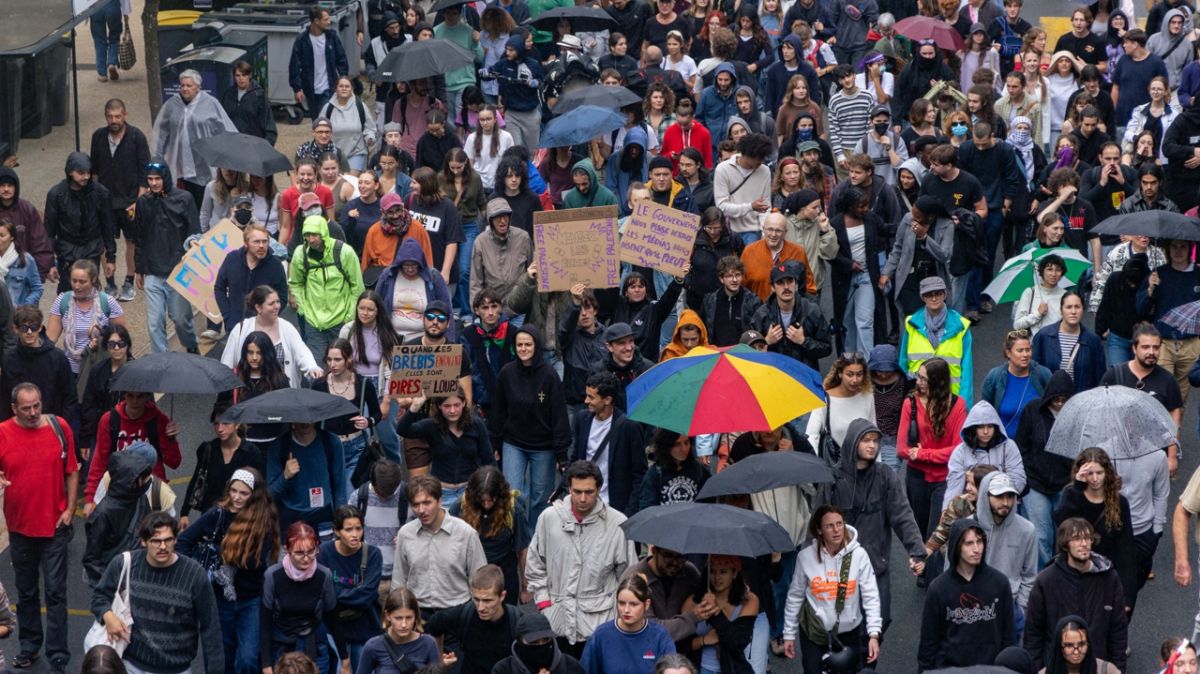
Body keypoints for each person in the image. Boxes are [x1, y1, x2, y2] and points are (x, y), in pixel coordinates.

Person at [815, 418, 925, 632]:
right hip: (839, 567)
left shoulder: (886, 476)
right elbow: (817, 523)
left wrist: (917, 551)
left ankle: (867, 663)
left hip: (876, 564)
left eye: (875, 441)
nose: (872, 445)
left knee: (880, 621)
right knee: (842, 626)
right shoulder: (833, 479)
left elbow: (902, 515)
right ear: (853, 442)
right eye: (866, 440)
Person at [0, 383, 77, 673]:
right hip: (20, 529)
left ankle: (57, 655)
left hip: (54, 527)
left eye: (37, 405)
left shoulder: (60, 428)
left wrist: (70, 510)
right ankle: (30, 647)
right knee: (27, 592)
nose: (33, 412)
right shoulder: (2, 433)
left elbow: (72, 470)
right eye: (26, 408)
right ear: (14, 409)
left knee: (56, 593)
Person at [527, 460, 637, 657]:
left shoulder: (618, 524)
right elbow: (535, 565)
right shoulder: (548, 518)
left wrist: (618, 617)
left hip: (600, 625)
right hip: (557, 621)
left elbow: (628, 578)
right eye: (577, 492)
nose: (583, 498)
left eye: (589, 492)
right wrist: (545, 606)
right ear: (568, 488)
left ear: (599, 489)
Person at [91, 512, 223, 674]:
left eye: (168, 540)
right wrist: (108, 616)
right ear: (143, 542)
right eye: (155, 541)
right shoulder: (124, 564)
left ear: (176, 539)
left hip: (176, 669)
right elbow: (99, 597)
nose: (162, 546)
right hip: (131, 666)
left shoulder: (194, 574)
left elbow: (211, 628)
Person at [177, 468, 278, 674]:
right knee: (221, 660)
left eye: (244, 493)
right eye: (233, 491)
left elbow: (253, 562)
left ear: (254, 495)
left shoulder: (262, 521)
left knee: (248, 659)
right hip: (219, 599)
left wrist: (221, 551)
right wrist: (195, 571)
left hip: (251, 600)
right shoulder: (217, 515)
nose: (237, 497)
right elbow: (183, 543)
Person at [782, 504, 882, 673]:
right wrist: (789, 634)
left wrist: (873, 634)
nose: (836, 530)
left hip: (848, 632)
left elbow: (870, 595)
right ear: (819, 530)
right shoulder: (805, 557)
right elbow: (795, 597)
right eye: (829, 526)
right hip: (814, 633)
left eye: (839, 524)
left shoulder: (859, 555)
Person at [1023, 519, 1129, 672]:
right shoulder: (1046, 581)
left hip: (1098, 667)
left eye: (1087, 538)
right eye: (1077, 539)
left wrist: (1118, 669)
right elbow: (1033, 633)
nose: (1084, 543)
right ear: (1065, 544)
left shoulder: (1109, 577)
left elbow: (1118, 629)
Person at [490, 327, 570, 526]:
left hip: (544, 446)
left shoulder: (550, 375)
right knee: (513, 495)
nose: (523, 349)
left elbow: (559, 415)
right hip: (513, 443)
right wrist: (496, 443)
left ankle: (536, 542)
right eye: (519, 345)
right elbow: (498, 411)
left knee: (540, 500)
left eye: (528, 344)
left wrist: (561, 454)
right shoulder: (506, 373)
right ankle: (517, 540)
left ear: (536, 346)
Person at [917, 518, 1016, 671]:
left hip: (991, 669)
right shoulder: (938, 588)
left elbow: (1009, 636)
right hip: (950, 669)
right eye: (969, 543)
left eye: (980, 542)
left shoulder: (999, 584)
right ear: (957, 546)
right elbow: (929, 642)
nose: (977, 549)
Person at [391, 474, 486, 618]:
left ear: (440, 501)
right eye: (416, 505)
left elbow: (479, 578)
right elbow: (399, 580)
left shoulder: (465, 533)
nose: (421, 510)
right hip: (419, 615)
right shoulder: (405, 534)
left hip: (457, 612)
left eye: (427, 502)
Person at [259, 521, 348, 673]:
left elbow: (333, 619)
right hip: (281, 647)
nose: (306, 559)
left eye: (311, 552)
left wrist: (345, 660)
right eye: (299, 553)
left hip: (314, 645)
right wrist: (266, 665)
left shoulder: (323, 575)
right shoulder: (272, 576)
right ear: (287, 550)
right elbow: (264, 623)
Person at [1055, 448, 1137, 612]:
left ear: (1107, 473)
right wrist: (1077, 488)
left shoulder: (1119, 502)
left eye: (1099, 473)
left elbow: (1126, 549)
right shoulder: (1072, 493)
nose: (1094, 479)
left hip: (1105, 574)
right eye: (1089, 473)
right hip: (1076, 572)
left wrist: (1127, 595)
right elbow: (1061, 523)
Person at [133, 159, 200, 354]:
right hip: (153, 272)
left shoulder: (184, 199)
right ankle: (161, 363)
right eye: (150, 179)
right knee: (154, 323)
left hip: (178, 270)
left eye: (157, 178)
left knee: (181, 319)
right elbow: (140, 236)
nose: (153, 183)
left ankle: (191, 345)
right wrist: (138, 268)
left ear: (166, 178)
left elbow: (194, 231)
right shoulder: (143, 202)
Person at [396, 385, 494, 508]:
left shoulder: (476, 425)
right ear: (439, 406)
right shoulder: (432, 425)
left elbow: (489, 460)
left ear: (464, 403)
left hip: (469, 491)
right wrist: (415, 406)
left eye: (456, 405)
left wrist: (490, 489)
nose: (452, 411)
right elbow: (402, 430)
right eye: (447, 406)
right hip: (442, 493)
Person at [1102, 323, 1182, 475]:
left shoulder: (1168, 381)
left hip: (1155, 454)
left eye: (1156, 347)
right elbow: (1101, 414)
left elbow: (1174, 420)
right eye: (1145, 347)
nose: (1151, 352)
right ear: (1134, 348)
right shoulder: (1115, 375)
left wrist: (1172, 456)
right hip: (1119, 454)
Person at [89, 98, 148, 300]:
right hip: (106, 201)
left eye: (118, 116)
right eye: (110, 116)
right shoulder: (98, 137)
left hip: (130, 200)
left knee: (131, 242)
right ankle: (110, 283)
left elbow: (144, 172)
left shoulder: (136, 137)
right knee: (106, 244)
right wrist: (95, 195)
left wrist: (138, 201)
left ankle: (129, 281)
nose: (114, 120)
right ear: (106, 116)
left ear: (125, 115)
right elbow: (94, 170)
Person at [151, 70, 238, 207]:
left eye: (189, 85)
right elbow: (161, 131)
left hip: (203, 166)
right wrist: (158, 156)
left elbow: (226, 129)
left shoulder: (211, 103)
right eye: (182, 85)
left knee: (203, 202)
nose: (185, 89)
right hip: (179, 167)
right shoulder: (172, 104)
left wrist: (229, 156)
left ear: (198, 87)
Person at [85, 389, 182, 511]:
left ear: (147, 396)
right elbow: (100, 461)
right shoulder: (109, 420)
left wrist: (171, 440)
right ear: (124, 395)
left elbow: (174, 462)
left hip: (151, 494)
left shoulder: (159, 420)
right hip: (120, 491)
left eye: (140, 396)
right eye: (130, 396)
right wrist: (90, 497)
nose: (135, 401)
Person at [289, 215, 366, 359]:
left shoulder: (344, 252)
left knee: (340, 363)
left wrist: (349, 317)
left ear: (323, 233)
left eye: (314, 235)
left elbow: (357, 286)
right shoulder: (301, 254)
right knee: (316, 368)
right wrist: (303, 309)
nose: (311, 240)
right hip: (313, 320)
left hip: (340, 319)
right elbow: (295, 283)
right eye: (307, 235)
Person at [317, 506, 382, 672]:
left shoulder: (373, 554)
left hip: (365, 628)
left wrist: (336, 594)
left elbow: (367, 595)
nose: (355, 534)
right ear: (337, 531)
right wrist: (348, 595)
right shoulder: (325, 552)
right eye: (348, 529)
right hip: (334, 627)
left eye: (358, 528)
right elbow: (323, 593)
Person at [571, 371, 647, 515]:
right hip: (584, 504)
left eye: (591, 397)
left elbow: (639, 474)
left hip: (615, 509)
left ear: (607, 400)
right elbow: (575, 459)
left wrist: (629, 512)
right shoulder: (582, 419)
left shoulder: (630, 427)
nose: (586, 401)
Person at [312, 340, 382, 494]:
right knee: (331, 493)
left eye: (338, 360)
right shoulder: (319, 385)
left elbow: (377, 414)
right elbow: (313, 419)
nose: (332, 364)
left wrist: (367, 421)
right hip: (329, 445)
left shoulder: (363, 383)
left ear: (349, 358)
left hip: (357, 446)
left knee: (350, 494)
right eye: (329, 360)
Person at [179, 405, 265, 528]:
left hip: (239, 517)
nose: (220, 429)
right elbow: (196, 480)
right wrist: (184, 513)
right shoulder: (208, 449)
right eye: (216, 424)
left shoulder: (251, 453)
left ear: (237, 424)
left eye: (226, 423)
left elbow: (259, 488)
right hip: (210, 514)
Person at [43, 152, 117, 294]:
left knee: (90, 293)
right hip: (67, 252)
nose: (86, 176)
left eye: (88, 172)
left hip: (92, 249)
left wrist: (111, 258)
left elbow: (108, 227)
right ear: (71, 172)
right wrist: (50, 263)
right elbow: (49, 231)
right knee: (66, 294)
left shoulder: (101, 193)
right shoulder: (56, 194)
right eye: (81, 173)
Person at [975, 472, 1038, 637]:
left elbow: (1030, 575)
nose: (1005, 502)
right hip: (972, 604)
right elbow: (951, 570)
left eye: (1010, 496)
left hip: (1010, 605)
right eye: (999, 496)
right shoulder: (967, 528)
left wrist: (1022, 610)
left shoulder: (1027, 530)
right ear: (985, 496)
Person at [221, 287, 321, 390]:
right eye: (271, 303)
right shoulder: (241, 329)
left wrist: (312, 368)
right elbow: (226, 364)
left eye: (278, 302)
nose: (276, 306)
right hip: (250, 392)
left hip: (282, 394)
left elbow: (301, 351)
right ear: (258, 308)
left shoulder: (287, 328)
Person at [899, 277, 975, 406]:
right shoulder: (911, 324)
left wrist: (964, 406)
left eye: (938, 294)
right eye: (929, 294)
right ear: (922, 297)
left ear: (945, 294)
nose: (934, 298)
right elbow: (903, 363)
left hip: (950, 398)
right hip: (919, 398)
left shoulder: (961, 326)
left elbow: (967, 370)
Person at [581, 573, 676, 673]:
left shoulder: (660, 636)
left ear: (646, 604)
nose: (626, 610)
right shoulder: (601, 635)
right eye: (621, 603)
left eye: (633, 604)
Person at [266, 420, 347, 537]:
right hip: (292, 523)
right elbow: (270, 496)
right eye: (299, 417)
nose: (305, 422)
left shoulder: (330, 441)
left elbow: (340, 489)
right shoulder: (278, 446)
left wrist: (341, 523)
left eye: (309, 418)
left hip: (324, 522)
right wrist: (285, 476)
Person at [1, 306, 76, 430]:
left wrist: (61, 426)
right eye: (24, 328)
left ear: (40, 327)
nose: (29, 332)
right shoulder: (9, 360)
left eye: (34, 327)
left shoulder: (57, 357)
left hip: (51, 427)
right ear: (16, 329)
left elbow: (69, 397)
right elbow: (4, 399)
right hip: (19, 428)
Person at [749, 259, 831, 371]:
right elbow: (748, 354)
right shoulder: (761, 315)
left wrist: (803, 341)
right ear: (772, 288)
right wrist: (766, 342)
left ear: (796, 285)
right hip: (773, 376)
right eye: (780, 283)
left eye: (790, 281)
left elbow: (827, 348)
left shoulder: (812, 311)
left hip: (804, 377)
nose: (786, 287)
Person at [942, 402, 1028, 507]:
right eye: (981, 427)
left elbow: (1018, 479)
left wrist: (993, 498)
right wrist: (947, 514)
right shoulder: (960, 452)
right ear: (972, 428)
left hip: (1003, 506)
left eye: (990, 426)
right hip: (972, 507)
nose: (986, 431)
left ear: (996, 427)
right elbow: (954, 489)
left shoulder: (1009, 447)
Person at [215, 223, 289, 332]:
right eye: (256, 242)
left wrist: (268, 316)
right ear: (246, 243)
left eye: (264, 241)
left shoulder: (275, 265)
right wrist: (227, 315)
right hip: (234, 327)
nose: (261, 246)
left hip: (263, 329)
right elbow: (219, 288)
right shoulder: (232, 259)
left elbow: (282, 296)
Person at [356, 587, 447, 673]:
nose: (404, 624)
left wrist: (444, 667)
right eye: (398, 618)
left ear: (415, 616)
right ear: (388, 616)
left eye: (408, 618)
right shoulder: (373, 646)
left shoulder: (428, 643)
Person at [806, 352, 876, 458]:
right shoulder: (825, 398)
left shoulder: (867, 396)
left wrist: (876, 464)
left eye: (859, 374)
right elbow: (812, 435)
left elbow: (872, 432)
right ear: (840, 373)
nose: (855, 380)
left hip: (861, 465)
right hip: (833, 465)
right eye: (850, 374)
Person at [1032, 292, 1106, 392]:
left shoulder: (1093, 340)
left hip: (1082, 401)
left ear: (1082, 310)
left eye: (1077, 307)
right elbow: (1034, 373)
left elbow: (1100, 377)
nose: (1073, 311)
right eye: (1068, 307)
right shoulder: (1044, 336)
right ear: (1061, 310)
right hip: (1051, 401)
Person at [288, 6, 350, 120]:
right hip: (310, 89)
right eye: (325, 19)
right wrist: (297, 89)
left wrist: (343, 80)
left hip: (328, 88)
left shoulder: (332, 37)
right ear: (316, 21)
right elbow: (294, 65)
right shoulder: (302, 40)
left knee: (324, 120)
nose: (329, 22)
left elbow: (341, 59)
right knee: (316, 121)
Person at [471, 198, 532, 310]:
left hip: (520, 308)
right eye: (498, 217)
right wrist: (477, 310)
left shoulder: (523, 237)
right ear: (491, 220)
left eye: (505, 216)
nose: (502, 221)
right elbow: (476, 281)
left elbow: (532, 271)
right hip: (492, 310)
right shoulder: (480, 242)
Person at [80, 324, 133, 451]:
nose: (116, 348)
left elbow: (148, 405)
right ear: (106, 347)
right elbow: (89, 406)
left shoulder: (137, 372)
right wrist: (85, 440)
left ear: (127, 345)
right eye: (111, 344)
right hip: (103, 433)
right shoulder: (97, 371)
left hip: (130, 434)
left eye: (121, 344)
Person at [715, 133, 774, 245]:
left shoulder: (765, 171)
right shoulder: (722, 169)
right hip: (729, 231)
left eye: (763, 157)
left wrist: (764, 232)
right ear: (747, 154)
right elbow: (722, 207)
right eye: (758, 158)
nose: (760, 161)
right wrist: (750, 206)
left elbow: (766, 207)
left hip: (754, 231)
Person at [0, 168, 54, 282]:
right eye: (2, 185)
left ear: (16, 187)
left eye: (10, 185)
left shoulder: (27, 210)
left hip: (22, 274)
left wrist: (37, 276)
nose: (6, 189)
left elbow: (40, 243)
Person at [492, 612, 586, 674]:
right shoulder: (503, 670)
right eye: (534, 642)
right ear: (520, 642)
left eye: (546, 640)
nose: (541, 646)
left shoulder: (570, 666)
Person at [1111, 29, 1168, 127]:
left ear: (1135, 44)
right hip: (1122, 117)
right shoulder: (1123, 60)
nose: (1124, 45)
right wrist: (1113, 111)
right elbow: (1115, 87)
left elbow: (1166, 90)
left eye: (1126, 43)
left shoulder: (1156, 63)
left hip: (1146, 118)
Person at [321, 76, 376, 174]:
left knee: (351, 181)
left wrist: (370, 138)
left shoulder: (360, 106)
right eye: (341, 86)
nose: (344, 88)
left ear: (352, 89)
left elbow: (370, 128)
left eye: (347, 86)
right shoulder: (328, 108)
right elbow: (320, 128)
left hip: (357, 151)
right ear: (336, 89)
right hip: (333, 154)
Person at [220, 60, 277, 146]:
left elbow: (268, 123)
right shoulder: (228, 95)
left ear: (249, 75)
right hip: (233, 143)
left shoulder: (259, 96)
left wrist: (266, 145)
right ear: (234, 77)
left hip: (254, 144)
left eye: (244, 75)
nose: (241, 78)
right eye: (238, 75)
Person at [1012, 254, 1067, 333]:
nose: (1053, 274)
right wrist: (1037, 314)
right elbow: (1017, 325)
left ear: (1062, 273)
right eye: (1049, 269)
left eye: (1058, 270)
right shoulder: (1030, 292)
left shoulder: (1065, 295)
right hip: (1034, 343)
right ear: (1042, 272)